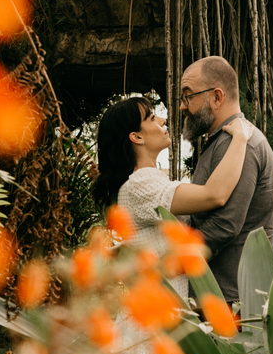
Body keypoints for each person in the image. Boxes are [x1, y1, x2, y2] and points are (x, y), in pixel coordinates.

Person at [93, 95, 253, 295]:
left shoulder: (143, 182)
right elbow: (214, 195)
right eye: (152, 118)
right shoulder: (140, 184)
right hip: (156, 311)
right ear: (137, 137)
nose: (163, 120)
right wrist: (240, 137)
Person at [179, 56, 273, 302]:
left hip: (233, 302)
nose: (182, 106)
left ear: (216, 97)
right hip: (223, 297)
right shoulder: (224, 141)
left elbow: (226, 225)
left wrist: (173, 261)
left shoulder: (237, 145)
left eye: (188, 96)